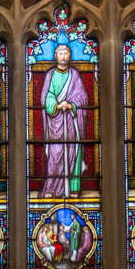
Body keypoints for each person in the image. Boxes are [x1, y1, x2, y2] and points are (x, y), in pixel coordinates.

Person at [39, 42, 89, 197]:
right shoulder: (50, 75)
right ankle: (52, 189)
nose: (63, 56)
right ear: (55, 56)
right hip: (56, 121)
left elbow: (83, 98)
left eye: (66, 53)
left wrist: (71, 104)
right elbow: (45, 98)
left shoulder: (74, 75)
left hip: (71, 123)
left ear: (70, 56)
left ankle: (73, 189)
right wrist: (56, 105)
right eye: (60, 53)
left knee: (73, 151)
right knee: (55, 153)